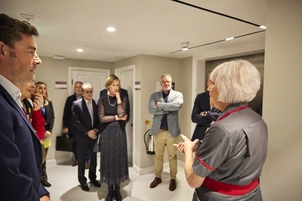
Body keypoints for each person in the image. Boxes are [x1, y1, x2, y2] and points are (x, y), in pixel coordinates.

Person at [174, 60, 268, 201]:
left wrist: (188, 151)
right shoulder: (258, 119)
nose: (209, 89)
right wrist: (199, 149)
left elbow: (193, 180)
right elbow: (235, 156)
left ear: (225, 87)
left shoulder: (221, 129)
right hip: (253, 195)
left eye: (212, 84)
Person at [0, 13, 50, 200]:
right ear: (2, 51)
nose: (38, 60)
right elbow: (8, 182)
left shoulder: (11, 98)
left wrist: (41, 191)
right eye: (31, 52)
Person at [148, 74, 183, 191]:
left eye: (168, 82)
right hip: (158, 131)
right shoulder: (154, 95)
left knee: (172, 156)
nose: (166, 84)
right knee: (158, 156)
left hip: (172, 131)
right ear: (160, 83)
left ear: (171, 82)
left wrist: (161, 106)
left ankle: (173, 178)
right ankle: (157, 177)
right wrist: (168, 109)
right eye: (164, 82)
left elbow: (178, 105)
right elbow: (151, 109)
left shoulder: (178, 95)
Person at [98, 74, 129, 201]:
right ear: (108, 86)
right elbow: (101, 118)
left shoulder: (123, 98)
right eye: (113, 85)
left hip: (120, 133)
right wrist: (117, 118)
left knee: (119, 159)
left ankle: (117, 188)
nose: (116, 87)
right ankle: (110, 189)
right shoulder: (102, 99)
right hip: (106, 134)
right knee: (109, 159)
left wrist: (118, 99)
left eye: (117, 85)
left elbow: (123, 112)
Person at [72, 83, 101, 191]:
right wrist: (87, 132)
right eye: (87, 92)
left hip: (94, 136)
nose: (89, 94)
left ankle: (93, 178)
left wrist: (96, 130)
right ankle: (82, 180)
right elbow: (76, 121)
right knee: (81, 159)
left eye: (91, 91)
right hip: (82, 137)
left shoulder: (97, 103)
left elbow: (100, 119)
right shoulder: (76, 104)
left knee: (94, 159)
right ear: (83, 93)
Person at [63, 81, 90, 168]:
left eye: (80, 87)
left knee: (86, 144)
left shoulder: (86, 98)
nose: (78, 89)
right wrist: (65, 126)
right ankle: (78, 159)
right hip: (73, 126)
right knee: (75, 144)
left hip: (84, 126)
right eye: (76, 87)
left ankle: (86, 161)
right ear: (74, 88)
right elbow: (66, 113)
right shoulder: (70, 99)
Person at [35, 81, 55, 187]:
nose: (43, 90)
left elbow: (52, 117)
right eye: (40, 88)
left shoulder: (48, 102)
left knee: (44, 158)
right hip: (37, 134)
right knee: (36, 158)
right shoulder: (31, 102)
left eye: (45, 88)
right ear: (35, 89)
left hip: (46, 135)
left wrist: (50, 130)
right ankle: (36, 181)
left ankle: (43, 179)